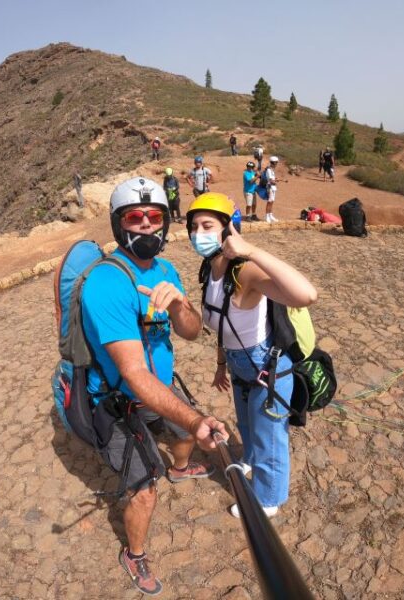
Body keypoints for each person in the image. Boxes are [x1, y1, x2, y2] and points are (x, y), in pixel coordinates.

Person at [81, 177, 227, 595]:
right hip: (117, 401)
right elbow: (133, 375)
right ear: (119, 224)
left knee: (181, 434)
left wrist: (181, 303)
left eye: (155, 217)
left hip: (158, 388)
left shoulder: (165, 269)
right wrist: (196, 417)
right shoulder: (107, 283)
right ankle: (135, 553)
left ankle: (180, 469)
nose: (146, 225)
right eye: (135, 217)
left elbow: (192, 331)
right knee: (143, 489)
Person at [185, 193, 317, 518]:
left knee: (270, 435)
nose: (198, 233)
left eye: (208, 226)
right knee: (247, 422)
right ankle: (250, 459)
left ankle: (267, 500)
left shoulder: (244, 272)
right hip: (237, 363)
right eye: (194, 227)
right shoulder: (209, 272)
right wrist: (220, 365)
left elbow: (306, 294)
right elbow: (222, 324)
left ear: (230, 230)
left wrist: (252, 251)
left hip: (266, 367)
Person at [261, 156, 279, 223]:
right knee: (269, 202)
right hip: (270, 188)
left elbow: (272, 179)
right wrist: (275, 181)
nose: (277, 164)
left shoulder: (271, 169)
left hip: (273, 188)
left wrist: (275, 180)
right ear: (273, 163)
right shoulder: (269, 170)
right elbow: (271, 181)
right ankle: (267, 216)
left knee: (272, 202)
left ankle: (270, 215)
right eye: (276, 162)